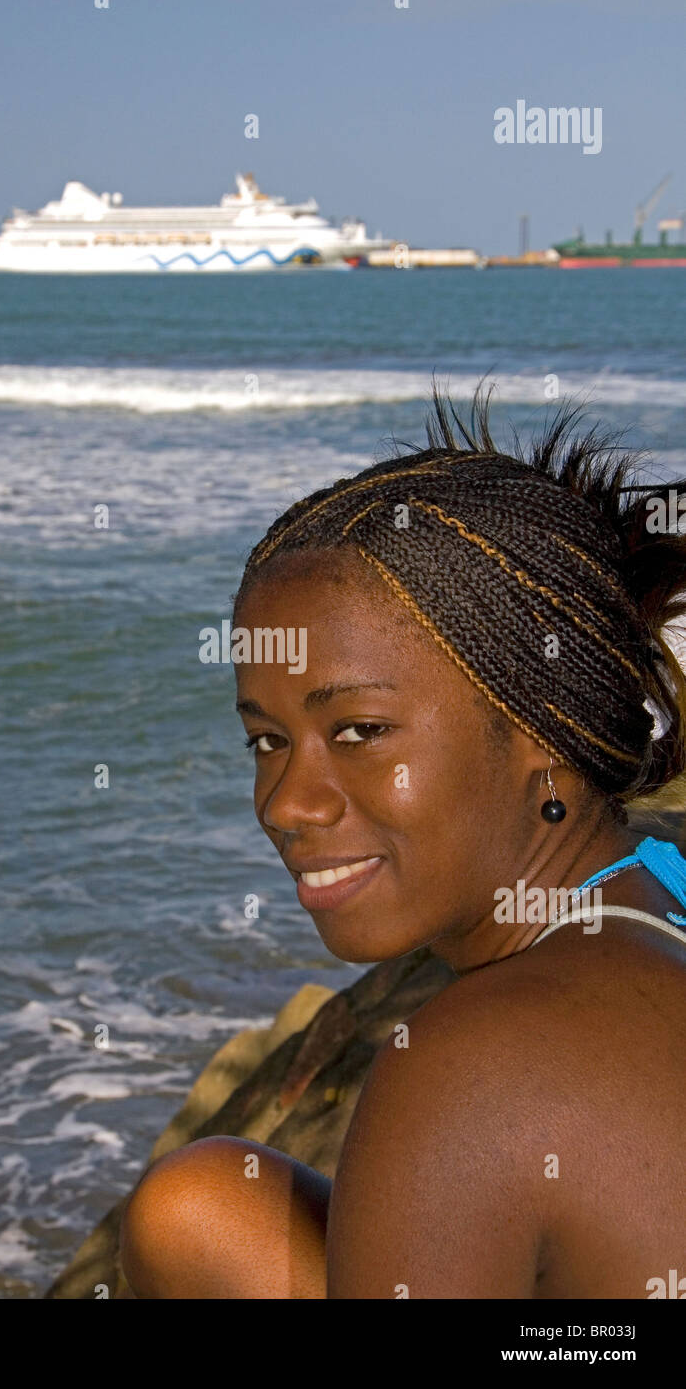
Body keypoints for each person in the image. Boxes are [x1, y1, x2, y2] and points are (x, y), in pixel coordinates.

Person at [119, 385, 686, 1298]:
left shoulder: (477, 1060)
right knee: (202, 1212)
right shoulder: (658, 874)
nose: (285, 804)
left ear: (542, 724)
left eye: (360, 732)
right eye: (266, 741)